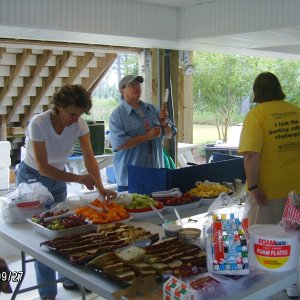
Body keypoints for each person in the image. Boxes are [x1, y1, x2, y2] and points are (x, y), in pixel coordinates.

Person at [16, 84, 116, 300]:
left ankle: (69, 278)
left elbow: (90, 159)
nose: (75, 119)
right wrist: (78, 179)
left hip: (58, 177)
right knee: (42, 235)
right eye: (72, 114)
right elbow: (43, 167)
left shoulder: (78, 124)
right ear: (58, 106)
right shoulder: (39, 124)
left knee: (65, 230)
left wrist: (101, 188)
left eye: (79, 114)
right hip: (33, 178)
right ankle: (48, 293)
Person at [238, 72, 300, 226]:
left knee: (265, 242)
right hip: (296, 188)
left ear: (256, 91)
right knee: (293, 240)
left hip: (268, 192)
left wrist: (253, 187)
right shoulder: (297, 112)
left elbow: (251, 155)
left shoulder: (257, 115)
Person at [109, 75, 177, 191]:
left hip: (156, 173)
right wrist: (146, 136)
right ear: (122, 90)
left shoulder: (152, 110)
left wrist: (164, 123)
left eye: (138, 84)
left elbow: (170, 135)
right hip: (130, 178)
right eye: (132, 85)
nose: (137, 87)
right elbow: (119, 144)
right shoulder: (117, 116)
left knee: (158, 208)